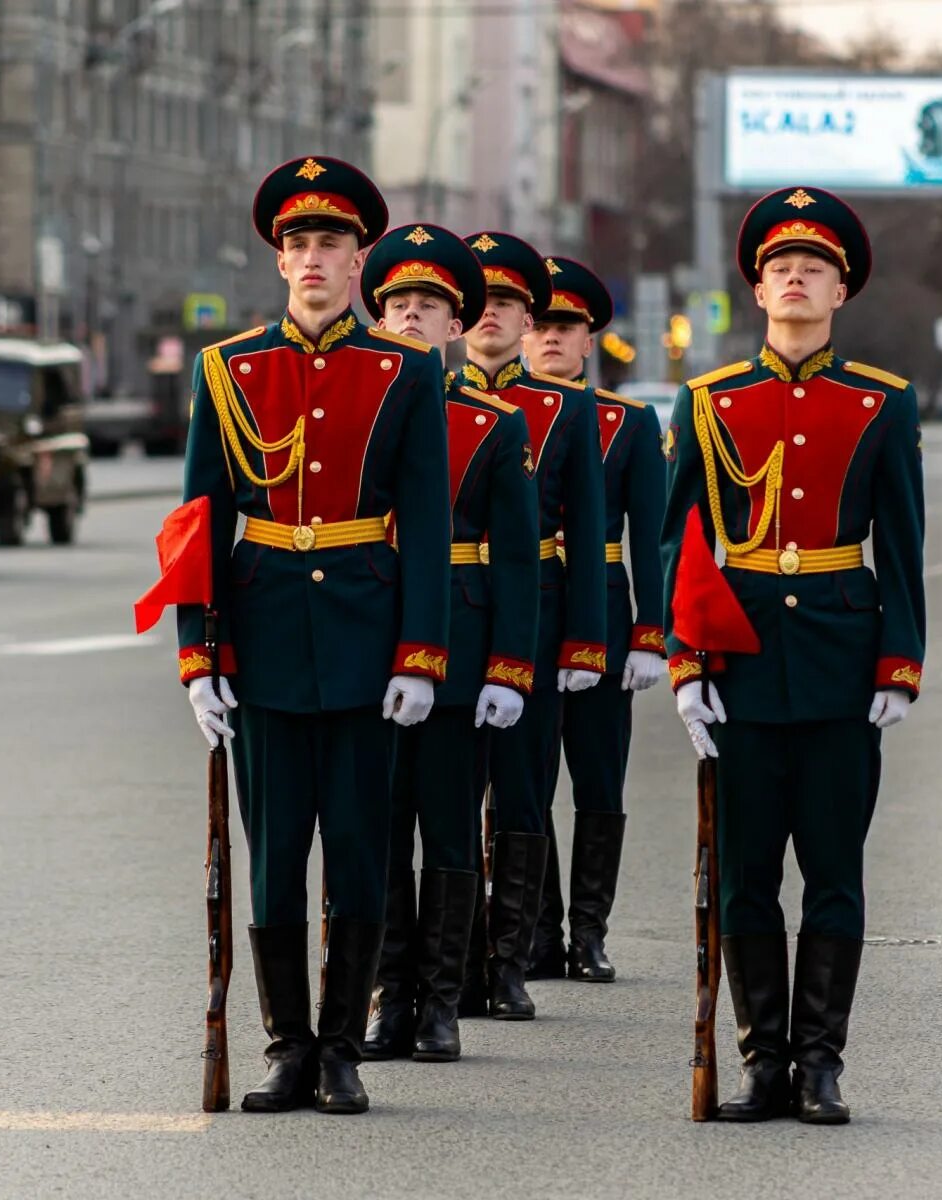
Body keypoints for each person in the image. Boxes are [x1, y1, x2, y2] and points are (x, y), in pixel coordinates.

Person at [174, 156, 452, 1116]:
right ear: (279, 260)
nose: (312, 259)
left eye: (330, 242)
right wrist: (197, 654)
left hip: (368, 640)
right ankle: (285, 1047)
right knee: (274, 854)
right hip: (262, 639)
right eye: (297, 244)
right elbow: (199, 520)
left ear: (358, 255)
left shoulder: (407, 370)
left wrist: (422, 653)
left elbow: (425, 522)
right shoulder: (229, 367)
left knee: (361, 855)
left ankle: (342, 1049)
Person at [662, 185, 925, 1124]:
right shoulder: (707, 403)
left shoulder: (882, 404)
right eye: (781, 268)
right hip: (738, 665)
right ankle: (759, 1062)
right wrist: (686, 664)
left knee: (833, 874)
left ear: (840, 290)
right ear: (757, 290)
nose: (796, 280)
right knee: (742, 877)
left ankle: (820, 1063)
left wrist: (899, 664)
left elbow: (901, 547)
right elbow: (679, 546)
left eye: (814, 267)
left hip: (842, 666)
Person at [354, 223, 541, 1063]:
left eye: (428, 308)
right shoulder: (351, 405)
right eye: (397, 305)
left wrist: (508, 667)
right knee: (378, 828)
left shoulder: (495, 423)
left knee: (451, 826)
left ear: (457, 326)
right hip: (365, 638)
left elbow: (519, 557)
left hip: (460, 651)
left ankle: (441, 1000)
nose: (410, 320)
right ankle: (389, 996)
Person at [459, 230, 608, 1020]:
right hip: (446, 620)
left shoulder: (565, 409)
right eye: (479, 301)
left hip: (536, 624)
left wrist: (586, 641)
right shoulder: (421, 394)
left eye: (509, 304)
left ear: (527, 320)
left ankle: (508, 962)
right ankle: (448, 963)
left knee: (522, 795)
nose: (492, 315)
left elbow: (588, 534)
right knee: (446, 803)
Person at [522, 255, 667, 983]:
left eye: (566, 327)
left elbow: (654, 534)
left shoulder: (630, 423)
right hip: (524, 615)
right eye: (541, 324)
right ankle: (537, 931)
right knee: (525, 780)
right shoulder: (496, 415)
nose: (552, 338)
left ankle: (589, 931)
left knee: (599, 780)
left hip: (604, 615)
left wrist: (650, 633)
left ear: (590, 342)